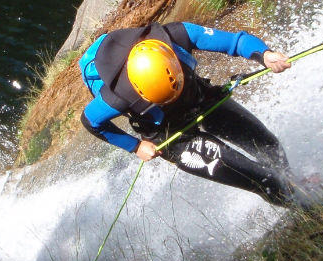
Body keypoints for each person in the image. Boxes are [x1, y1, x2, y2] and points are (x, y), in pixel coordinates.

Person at [78, 21, 296, 207]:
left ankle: (295, 182)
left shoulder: (178, 35)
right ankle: (306, 207)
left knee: (269, 146)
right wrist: (135, 146)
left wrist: (264, 55)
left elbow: (236, 42)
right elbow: (90, 122)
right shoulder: (116, 97)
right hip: (168, 132)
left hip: (198, 97)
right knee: (259, 178)